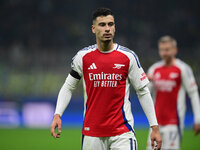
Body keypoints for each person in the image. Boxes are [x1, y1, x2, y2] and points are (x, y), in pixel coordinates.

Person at [51, 7, 162, 150]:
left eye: (111, 24)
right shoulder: (83, 57)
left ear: (115, 27)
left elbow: (143, 92)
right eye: (102, 25)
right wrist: (57, 114)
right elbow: (68, 86)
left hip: (123, 133)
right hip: (92, 133)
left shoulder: (128, 57)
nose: (107, 29)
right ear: (93, 28)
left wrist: (155, 127)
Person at [146, 35, 200, 150]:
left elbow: (193, 94)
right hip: (156, 125)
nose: (164, 53)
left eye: (167, 50)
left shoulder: (183, 69)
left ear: (175, 50)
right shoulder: (154, 69)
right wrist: (146, 82)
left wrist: (198, 119)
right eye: (161, 50)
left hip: (174, 123)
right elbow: (146, 92)